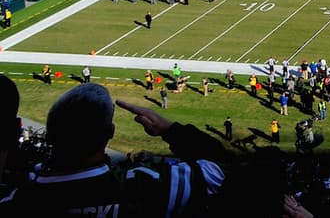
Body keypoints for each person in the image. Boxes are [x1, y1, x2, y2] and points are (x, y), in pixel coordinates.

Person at [0, 84, 225, 216]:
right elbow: (218, 169)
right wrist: (171, 130)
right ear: (110, 132)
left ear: (50, 135)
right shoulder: (145, 186)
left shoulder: (18, 201)